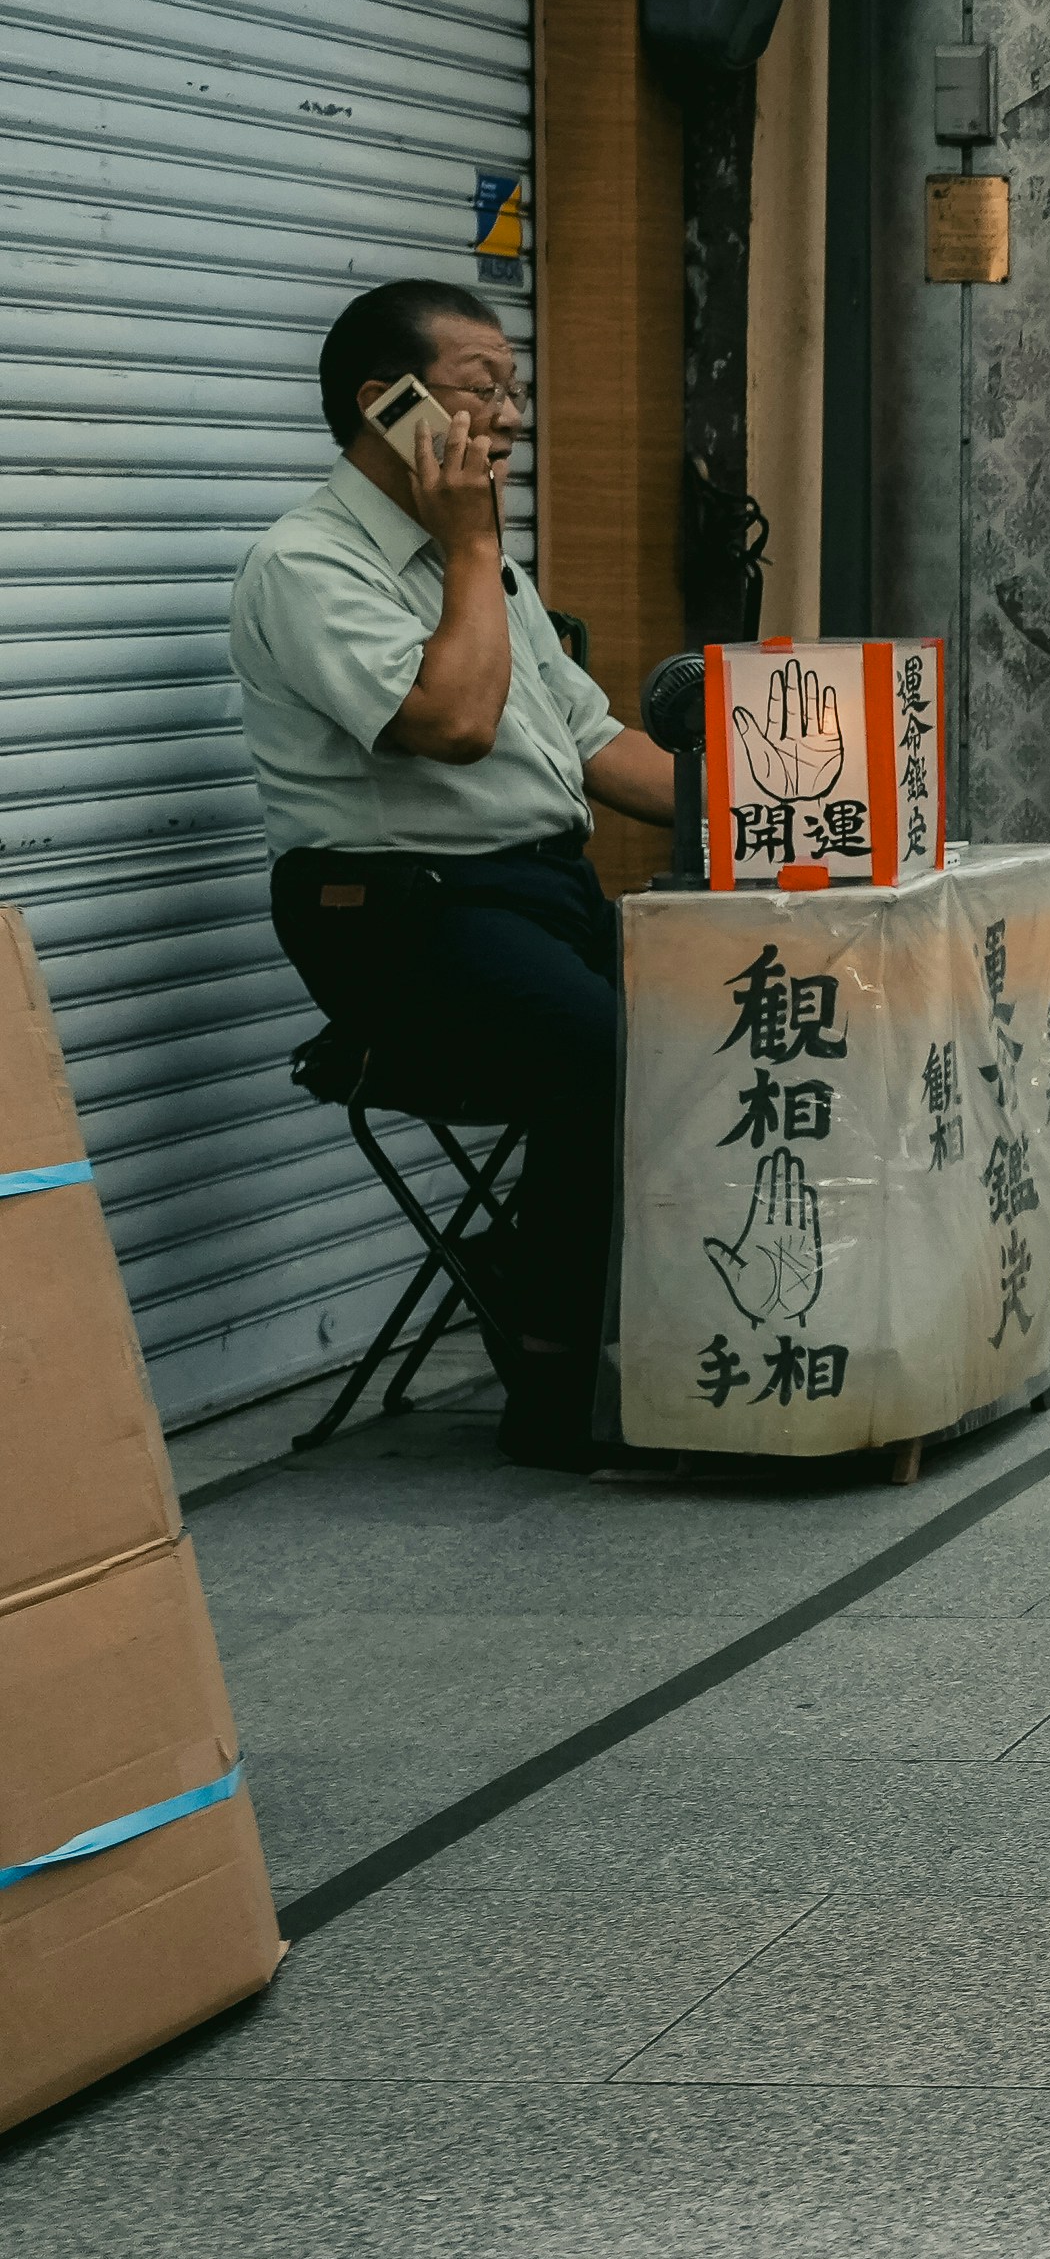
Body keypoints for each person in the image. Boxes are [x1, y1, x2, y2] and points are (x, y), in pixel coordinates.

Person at [232, 279, 678, 1466]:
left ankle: (572, 1289)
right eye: (486, 389)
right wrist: (474, 546)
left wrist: (797, 819)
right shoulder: (308, 564)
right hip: (397, 917)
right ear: (387, 405)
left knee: (711, 1026)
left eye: (514, 389)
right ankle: (556, 1383)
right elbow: (453, 725)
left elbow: (596, 744)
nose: (512, 417)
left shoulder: (488, 572)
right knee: (608, 1057)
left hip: (532, 899)